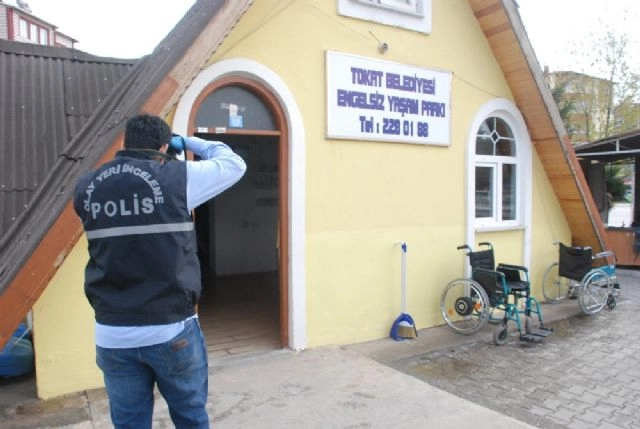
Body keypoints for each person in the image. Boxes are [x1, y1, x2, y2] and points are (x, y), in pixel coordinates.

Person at [72, 113, 246, 429]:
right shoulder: (177, 179)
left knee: (129, 423)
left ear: (125, 142)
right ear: (165, 146)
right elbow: (234, 163)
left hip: (113, 333)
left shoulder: (86, 186)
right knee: (190, 418)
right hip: (171, 329)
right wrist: (188, 141)